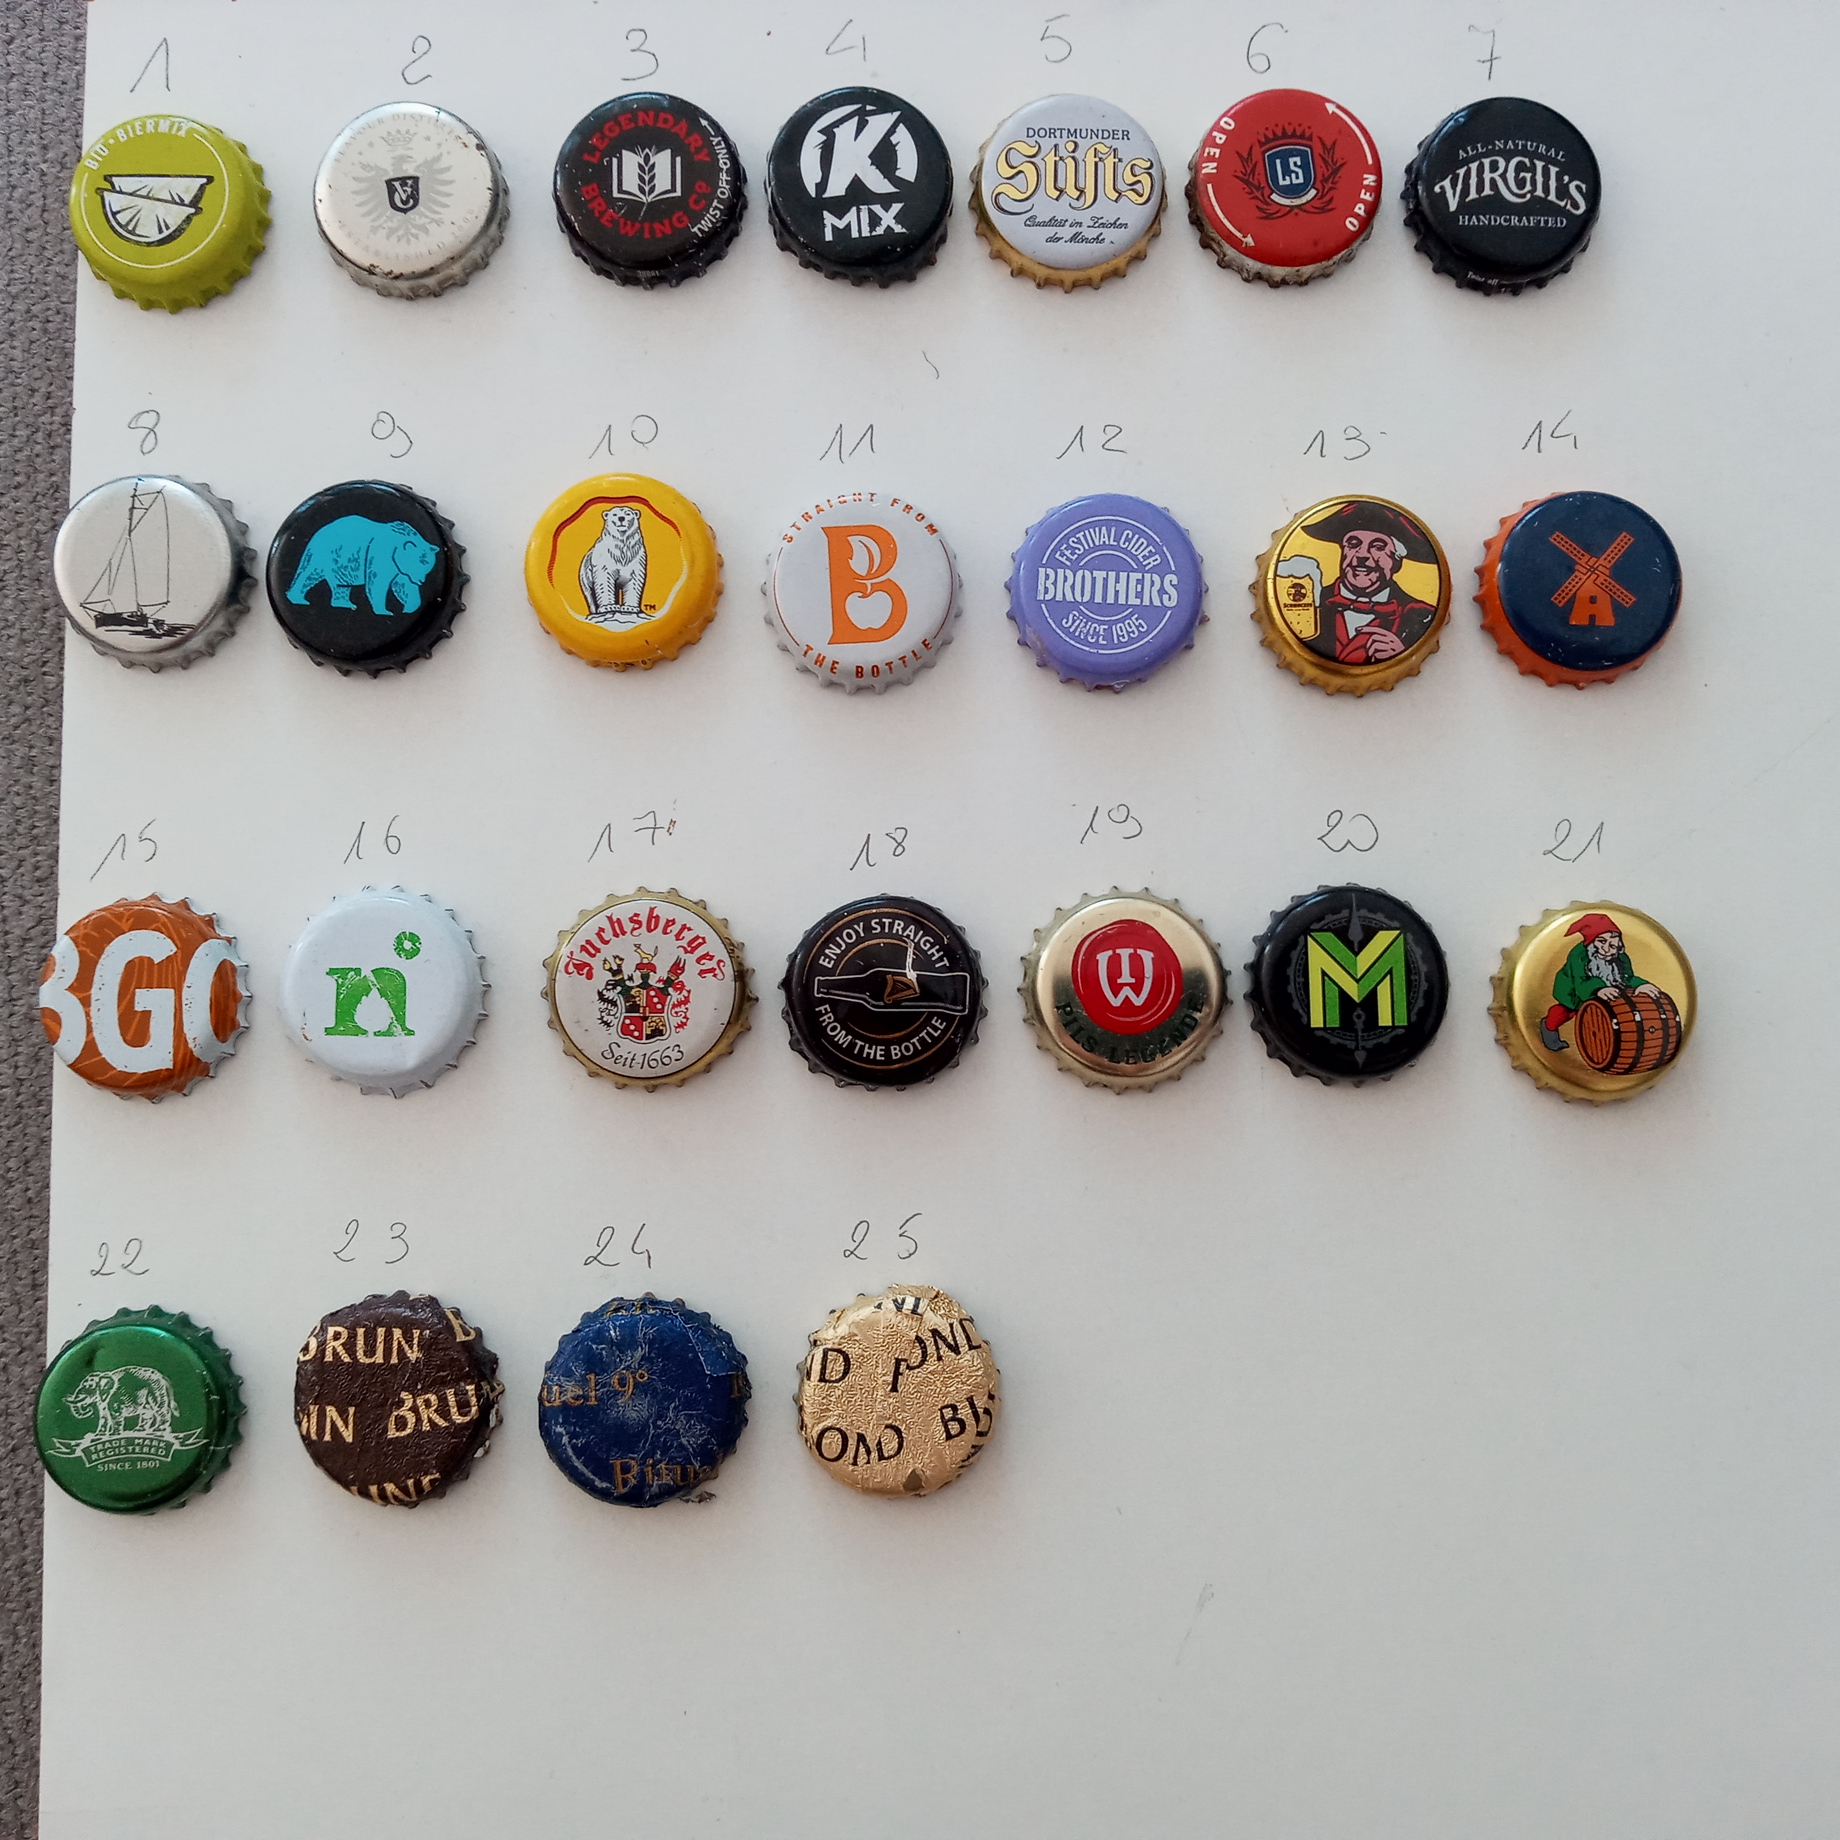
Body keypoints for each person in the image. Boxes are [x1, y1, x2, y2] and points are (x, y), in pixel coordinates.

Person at [1298, 501, 1439, 666]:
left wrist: (1400, 654)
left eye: (1378, 547)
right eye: (1353, 544)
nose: (1362, 555)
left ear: (1396, 562)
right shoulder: (1311, 602)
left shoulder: (1421, 615)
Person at [1542, 912, 1664, 1051]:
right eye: (1602, 941)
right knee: (1568, 1011)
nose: (1607, 948)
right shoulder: (1579, 956)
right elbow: (1581, 981)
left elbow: (1627, 978)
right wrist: (1598, 989)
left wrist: (1642, 985)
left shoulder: (1621, 957)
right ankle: (1549, 1028)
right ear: (1592, 942)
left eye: (1613, 942)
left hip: (1607, 987)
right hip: (1573, 989)